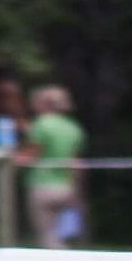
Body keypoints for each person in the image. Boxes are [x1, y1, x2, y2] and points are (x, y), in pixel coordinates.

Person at [24, 85, 88, 248]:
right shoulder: (73, 128)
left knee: (48, 238)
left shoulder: (41, 124)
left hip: (42, 185)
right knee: (64, 235)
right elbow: (74, 161)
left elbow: (31, 155)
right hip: (66, 187)